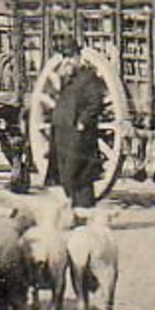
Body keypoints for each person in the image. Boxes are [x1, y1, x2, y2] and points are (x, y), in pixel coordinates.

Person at [46, 37, 107, 207]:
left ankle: (84, 210)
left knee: (80, 173)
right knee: (65, 172)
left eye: (70, 57)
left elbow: (95, 103)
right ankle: (74, 210)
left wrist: (83, 123)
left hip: (79, 135)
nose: (67, 61)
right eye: (65, 58)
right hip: (62, 132)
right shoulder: (66, 79)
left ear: (78, 58)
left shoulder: (88, 78)